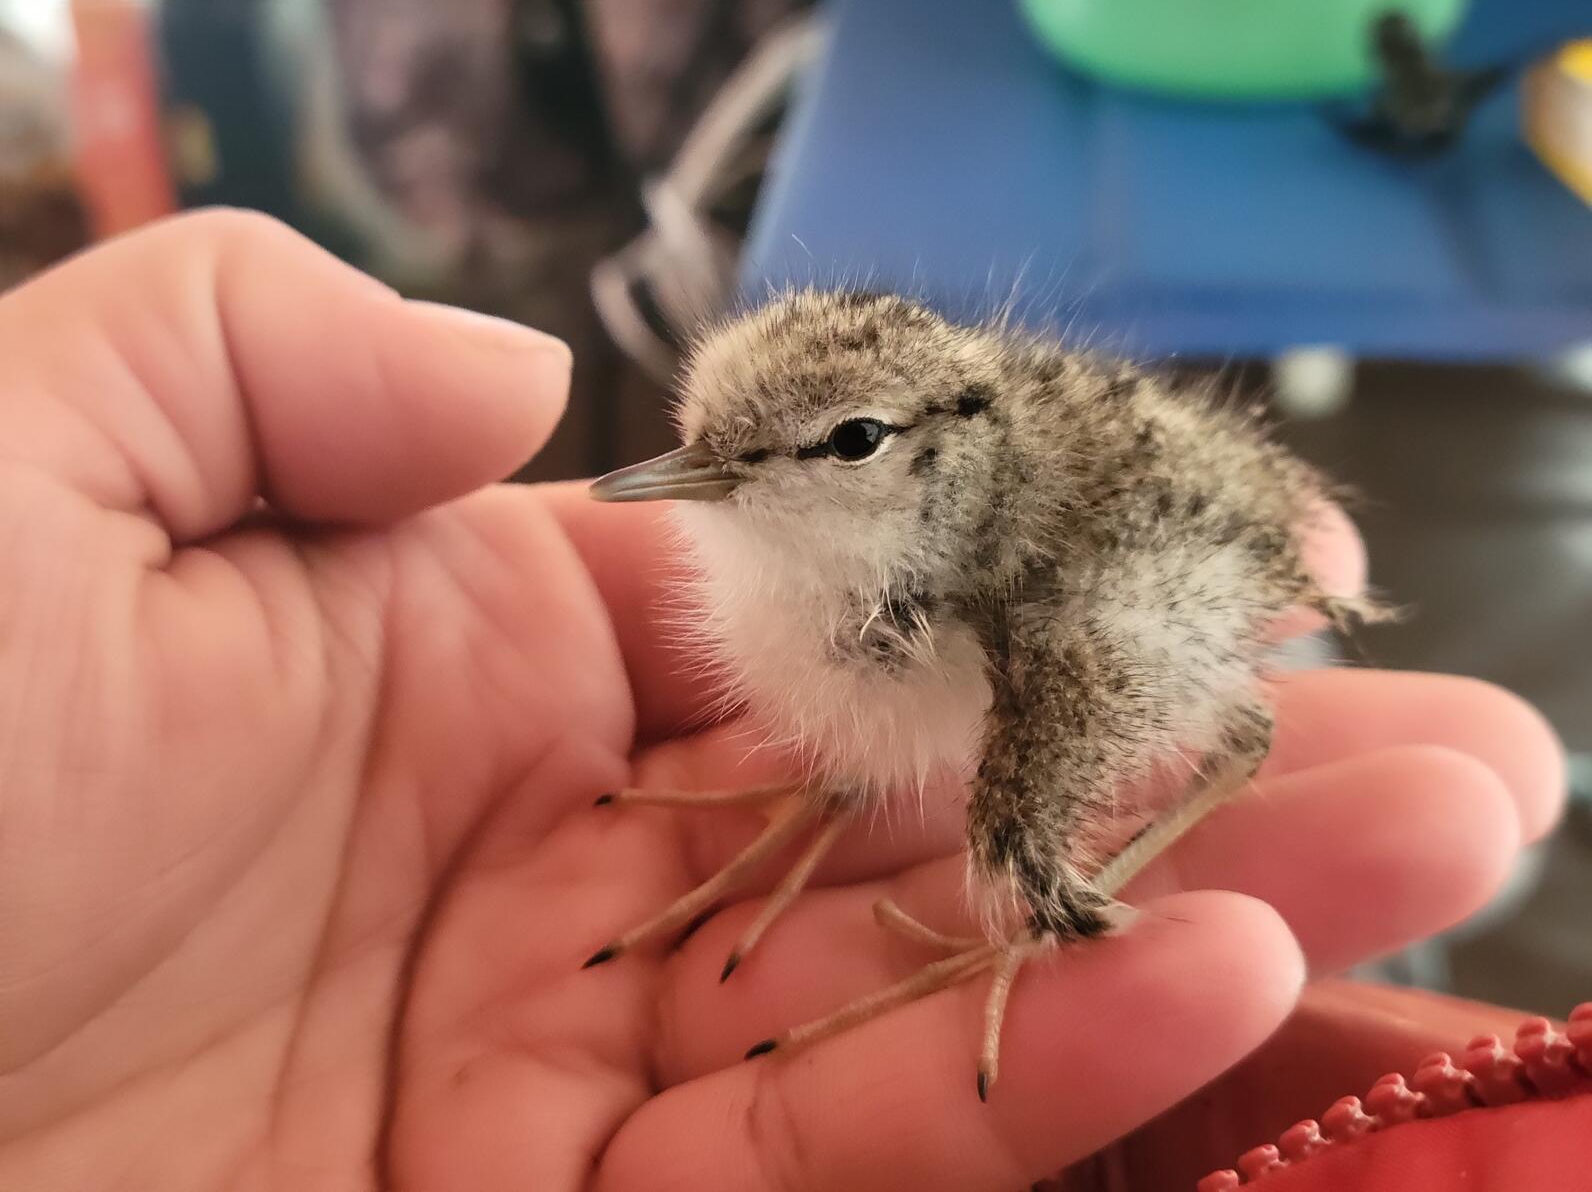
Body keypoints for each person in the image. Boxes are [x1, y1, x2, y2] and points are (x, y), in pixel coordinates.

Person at [0, 210, 1568, 1191]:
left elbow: (1121, 695)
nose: (704, 480)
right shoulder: (799, 540)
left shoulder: (1040, 594)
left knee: (1058, 848)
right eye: (704, 438)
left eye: (830, 447)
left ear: (922, 452)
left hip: (1147, 554)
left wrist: (1033, 909)